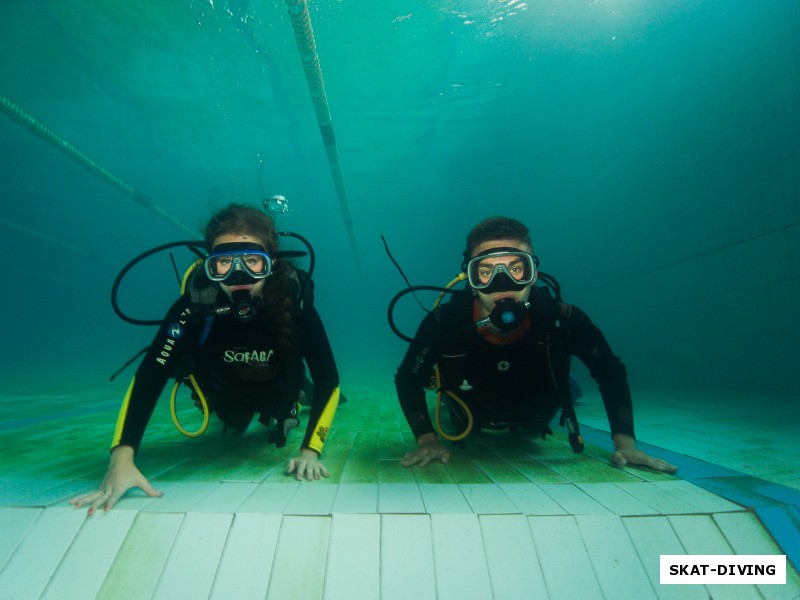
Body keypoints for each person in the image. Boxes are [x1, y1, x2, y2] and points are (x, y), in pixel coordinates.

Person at [71, 203, 341, 514]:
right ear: (208, 266)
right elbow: (150, 376)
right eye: (223, 263)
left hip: (281, 391)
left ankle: (299, 398)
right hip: (227, 394)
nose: (239, 276)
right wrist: (121, 458)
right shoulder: (194, 305)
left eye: (253, 262)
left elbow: (329, 380)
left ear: (272, 261)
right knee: (234, 426)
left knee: (291, 406)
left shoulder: (295, 302)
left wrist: (311, 451)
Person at [395, 216, 677, 473]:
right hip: (469, 419)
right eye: (486, 271)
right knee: (445, 402)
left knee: (566, 381)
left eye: (517, 268)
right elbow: (408, 378)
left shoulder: (561, 320)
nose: (502, 282)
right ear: (471, 280)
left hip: (536, 418)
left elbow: (610, 371)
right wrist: (427, 439)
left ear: (534, 273)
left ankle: (567, 380)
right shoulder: (445, 323)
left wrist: (625, 442)